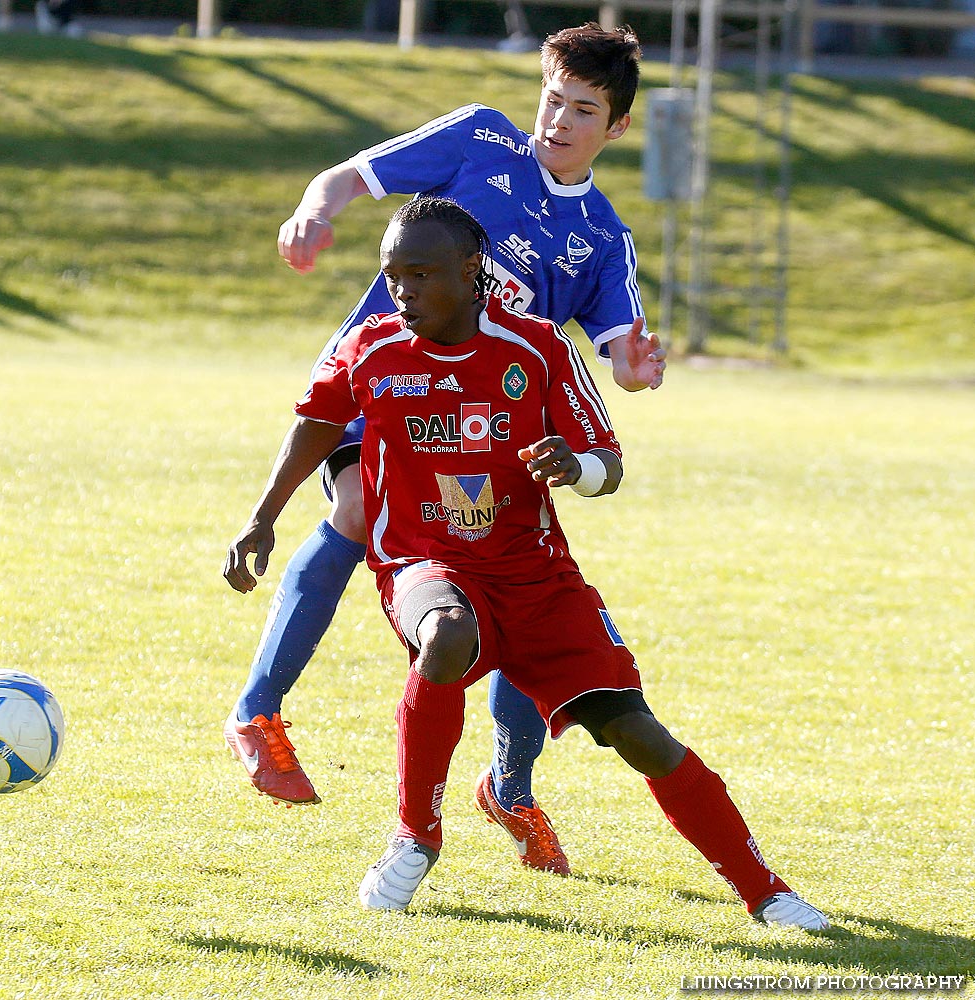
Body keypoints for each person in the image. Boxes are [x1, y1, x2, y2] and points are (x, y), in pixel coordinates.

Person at [224, 197, 830, 931]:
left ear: (472, 271)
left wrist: (575, 467)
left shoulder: (537, 347)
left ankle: (765, 891)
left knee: (640, 734)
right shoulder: (373, 349)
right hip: (424, 562)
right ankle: (415, 838)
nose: (402, 292)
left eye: (421, 274)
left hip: (539, 582)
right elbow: (317, 422)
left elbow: (609, 461)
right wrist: (262, 518)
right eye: (392, 276)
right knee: (444, 635)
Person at [224, 23, 665, 876]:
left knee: (511, 587)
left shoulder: (604, 237)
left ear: (614, 129)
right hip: (381, 385)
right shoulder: (478, 138)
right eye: (552, 99)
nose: (557, 121)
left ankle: (510, 785)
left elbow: (621, 352)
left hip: (479, 431)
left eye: (582, 110)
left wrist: (638, 368)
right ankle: (258, 711)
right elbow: (348, 175)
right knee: (355, 508)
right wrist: (317, 210)